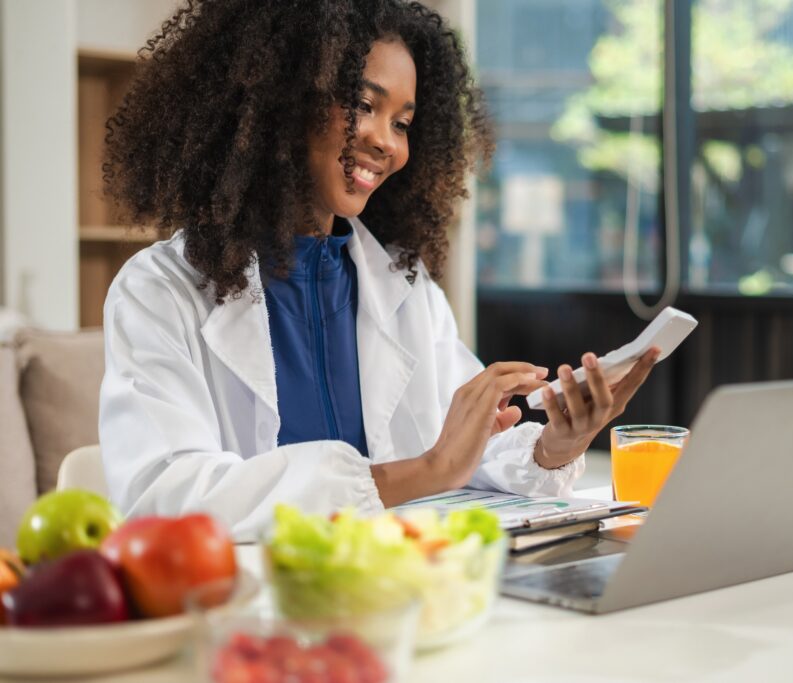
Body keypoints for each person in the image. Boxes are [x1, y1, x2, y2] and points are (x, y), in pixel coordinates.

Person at [99, 0, 659, 541]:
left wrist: (555, 446)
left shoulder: (405, 288)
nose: (385, 142)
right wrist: (421, 471)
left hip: (393, 590)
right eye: (363, 105)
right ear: (279, 99)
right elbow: (163, 496)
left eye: (404, 122)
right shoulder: (159, 290)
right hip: (253, 603)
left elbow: (471, 453)